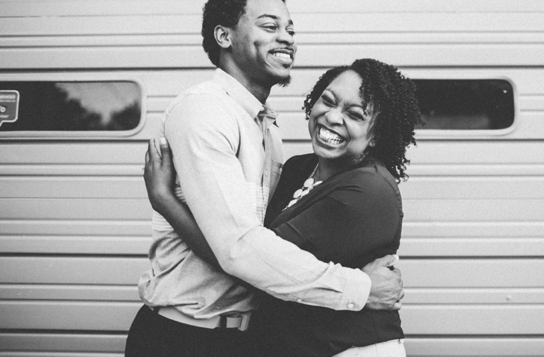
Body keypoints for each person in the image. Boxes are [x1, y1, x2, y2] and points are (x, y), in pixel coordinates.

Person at [125, 0, 404, 357]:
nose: (287, 38)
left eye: (290, 29)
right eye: (270, 26)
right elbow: (239, 249)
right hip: (185, 336)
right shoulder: (205, 111)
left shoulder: (266, 130)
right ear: (224, 36)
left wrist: (165, 201)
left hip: (243, 340)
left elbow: (261, 241)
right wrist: (359, 289)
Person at [145, 58, 423, 356]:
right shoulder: (297, 168)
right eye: (327, 101)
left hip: (352, 350)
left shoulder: (366, 191)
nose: (332, 117)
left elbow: (251, 266)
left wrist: (165, 201)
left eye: (354, 115)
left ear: (377, 135)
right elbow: (248, 249)